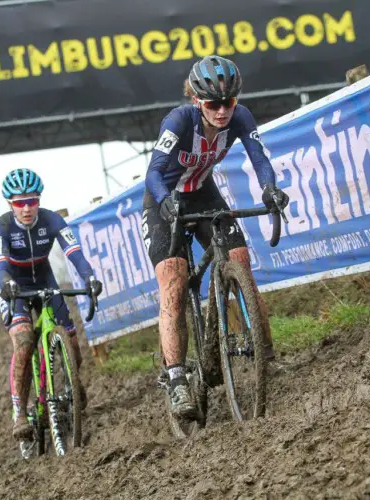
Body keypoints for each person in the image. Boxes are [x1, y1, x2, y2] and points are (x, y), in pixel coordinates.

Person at [141, 55, 289, 418]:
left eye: (229, 102)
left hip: (204, 193)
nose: (222, 111)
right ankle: (176, 380)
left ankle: (264, 355)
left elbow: (259, 158)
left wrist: (270, 188)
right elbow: (154, 173)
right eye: (213, 104)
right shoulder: (178, 121)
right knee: (174, 283)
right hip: (165, 198)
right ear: (197, 101)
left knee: (239, 260)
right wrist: (165, 203)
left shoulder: (239, 117)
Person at [0, 168, 103, 442]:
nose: (27, 208)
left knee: (72, 340)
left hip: (43, 276)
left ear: (39, 200)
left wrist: (89, 277)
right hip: (13, 284)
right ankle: (19, 412)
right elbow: (1, 265)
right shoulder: (1, 226)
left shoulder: (52, 220)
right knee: (25, 340)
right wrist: (6, 284)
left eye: (32, 201)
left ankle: (73, 385)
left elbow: (74, 253)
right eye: (19, 202)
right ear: (10, 204)